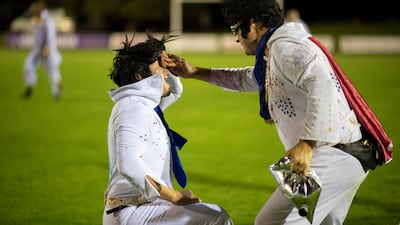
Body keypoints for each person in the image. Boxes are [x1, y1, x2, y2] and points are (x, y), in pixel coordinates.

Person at [166, 0, 390, 224]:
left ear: (252, 24)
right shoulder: (275, 49)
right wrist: (194, 72)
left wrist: (307, 144)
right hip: (338, 155)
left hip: (333, 155)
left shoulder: (285, 46)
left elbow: (322, 83)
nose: (236, 37)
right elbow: (249, 79)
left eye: (236, 29)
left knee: (271, 222)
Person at [103, 32, 233, 225]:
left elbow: (174, 91)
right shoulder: (133, 108)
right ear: (141, 77)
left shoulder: (142, 104)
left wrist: (167, 62)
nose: (165, 72)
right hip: (131, 211)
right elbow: (128, 164)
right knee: (215, 218)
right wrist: (174, 196)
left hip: (144, 206)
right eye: (160, 67)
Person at [22, 0, 63, 99]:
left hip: (46, 50)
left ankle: (57, 91)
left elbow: (50, 35)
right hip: (37, 50)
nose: (33, 10)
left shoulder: (47, 20)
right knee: (28, 65)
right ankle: (29, 88)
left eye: (35, 8)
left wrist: (47, 48)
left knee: (52, 71)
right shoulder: (37, 19)